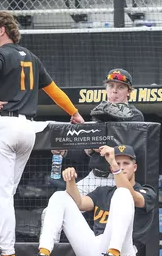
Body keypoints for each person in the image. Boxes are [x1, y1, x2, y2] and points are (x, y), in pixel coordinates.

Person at [0, 10, 84, 256]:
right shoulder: (32, 57)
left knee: (0, 193)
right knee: (7, 191)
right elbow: (54, 91)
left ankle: (9, 254)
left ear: (2, 30)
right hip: (27, 130)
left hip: (2, 125)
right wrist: (74, 112)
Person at [25, 144, 157, 256]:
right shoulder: (103, 191)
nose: (121, 167)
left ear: (134, 167)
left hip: (124, 251)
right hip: (95, 250)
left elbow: (133, 197)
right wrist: (70, 181)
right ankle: (44, 254)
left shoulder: (146, 191)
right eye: (118, 163)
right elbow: (79, 204)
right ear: (111, 168)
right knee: (59, 196)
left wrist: (113, 163)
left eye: (126, 163)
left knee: (122, 193)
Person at [60, 68, 144, 196]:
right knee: (61, 203)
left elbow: (131, 151)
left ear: (129, 92)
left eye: (120, 87)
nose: (114, 91)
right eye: (111, 86)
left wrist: (99, 145)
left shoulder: (135, 115)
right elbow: (87, 154)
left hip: (117, 178)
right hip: (94, 177)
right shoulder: (99, 113)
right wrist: (66, 149)